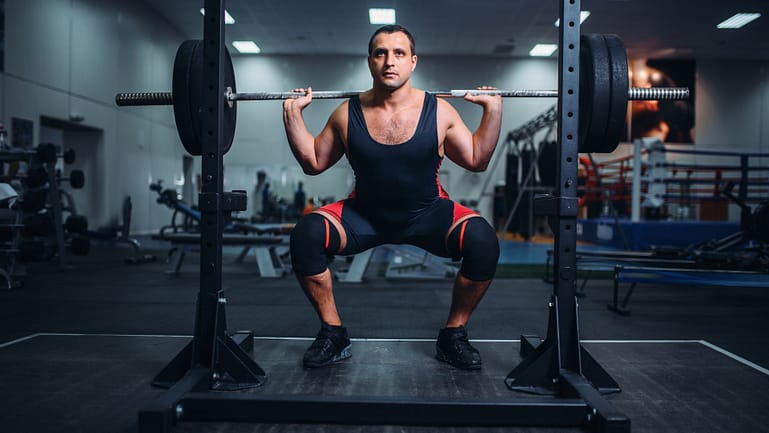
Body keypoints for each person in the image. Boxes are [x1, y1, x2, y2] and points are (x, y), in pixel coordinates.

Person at [282, 25, 502, 370]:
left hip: (428, 214)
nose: (389, 61)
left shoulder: (440, 111)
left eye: (399, 53)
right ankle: (333, 332)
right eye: (381, 53)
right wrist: (292, 115)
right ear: (370, 61)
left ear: (413, 62)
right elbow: (313, 162)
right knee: (306, 234)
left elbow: (477, 160)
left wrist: (493, 111)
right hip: (363, 216)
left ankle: (453, 336)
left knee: (483, 241)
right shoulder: (345, 113)